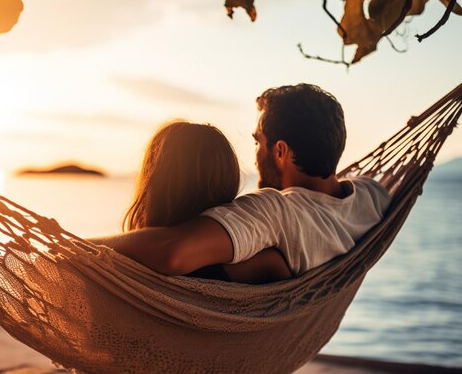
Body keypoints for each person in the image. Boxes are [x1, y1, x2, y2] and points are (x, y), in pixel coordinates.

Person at [92, 84, 391, 280]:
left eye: (258, 143)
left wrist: (77, 246)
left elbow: (174, 253)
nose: (256, 153)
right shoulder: (372, 195)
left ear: (281, 151)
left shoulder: (273, 210)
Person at [121, 120, 292, 283]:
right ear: (227, 181)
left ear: (153, 183)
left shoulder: (121, 267)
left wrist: (96, 246)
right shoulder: (264, 264)